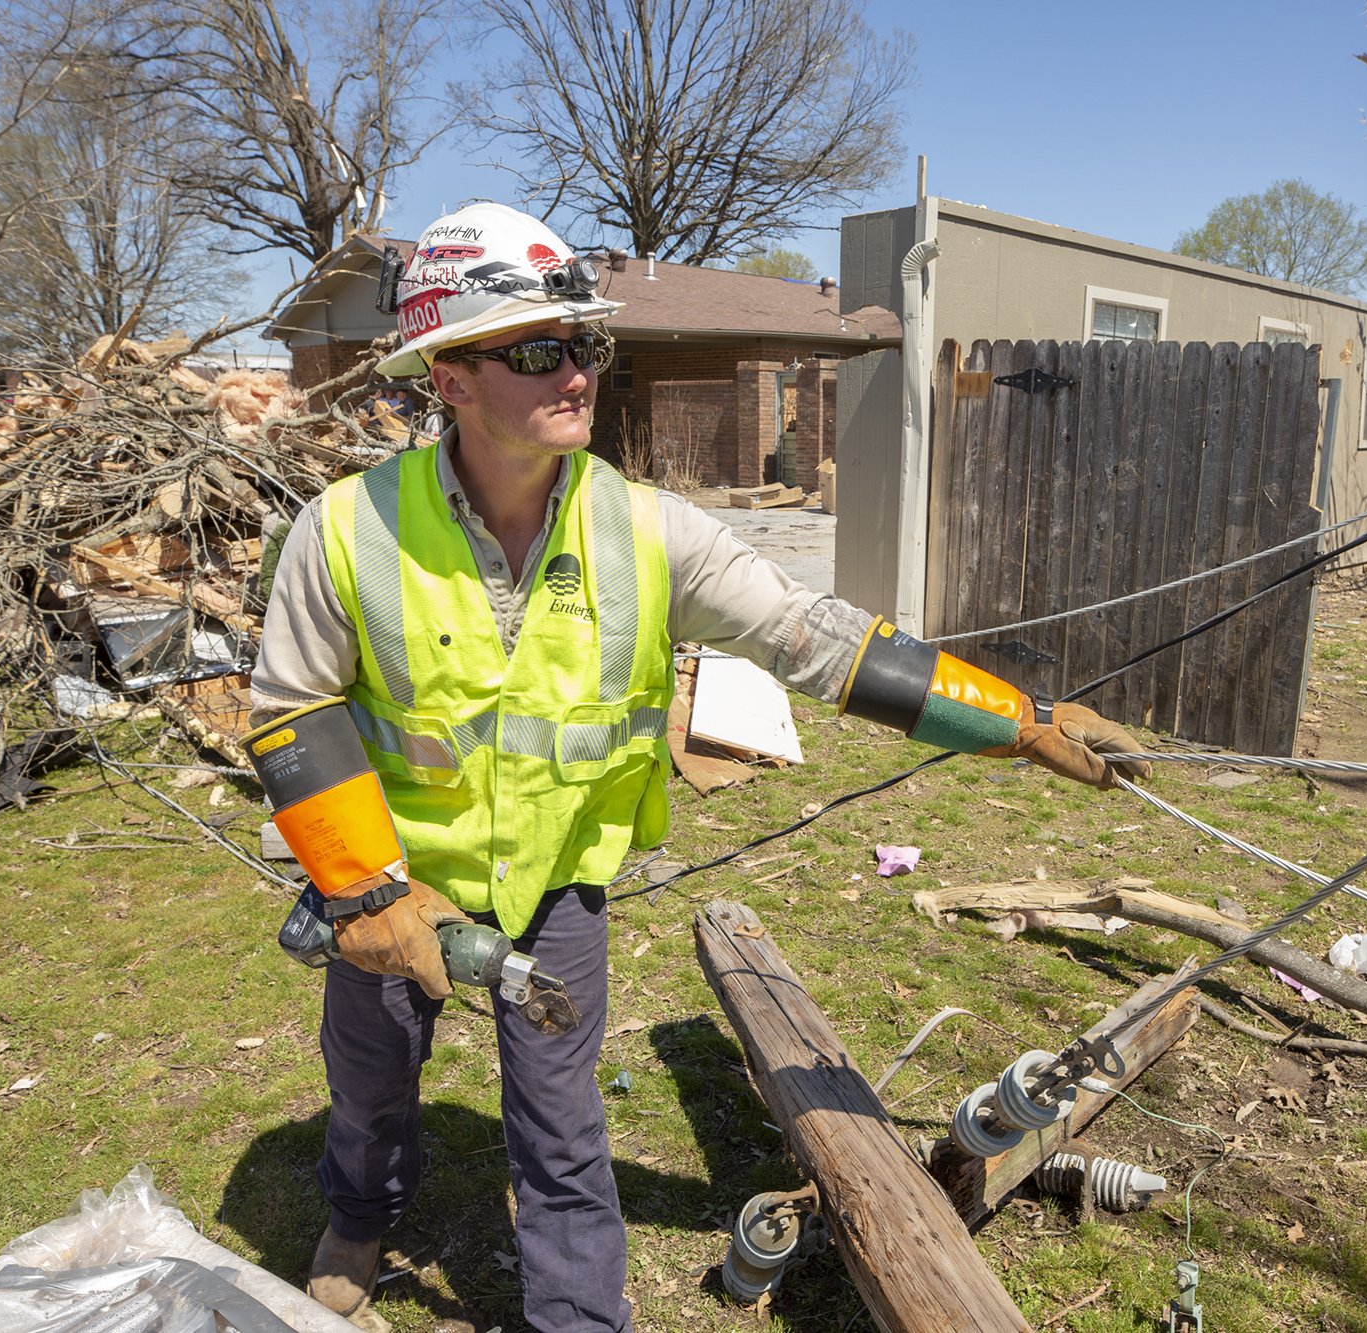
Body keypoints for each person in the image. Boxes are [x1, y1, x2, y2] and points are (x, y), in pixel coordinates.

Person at [248, 201, 1150, 1332]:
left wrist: (1012, 717)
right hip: (393, 882)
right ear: (450, 376)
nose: (574, 370)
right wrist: (367, 889)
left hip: (558, 885)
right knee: (371, 1091)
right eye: (539, 349)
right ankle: (359, 1215)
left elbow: (814, 638)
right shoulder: (343, 531)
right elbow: (293, 707)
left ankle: (578, 1316)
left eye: (586, 343)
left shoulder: (647, 530)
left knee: (563, 1126)